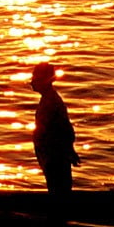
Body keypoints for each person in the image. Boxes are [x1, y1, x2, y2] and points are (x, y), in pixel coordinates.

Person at [30, 62, 79, 198]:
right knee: (57, 190)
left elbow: (65, 129)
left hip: (54, 156)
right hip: (50, 155)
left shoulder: (51, 102)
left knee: (59, 192)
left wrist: (68, 150)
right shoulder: (48, 100)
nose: (31, 82)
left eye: (35, 79)